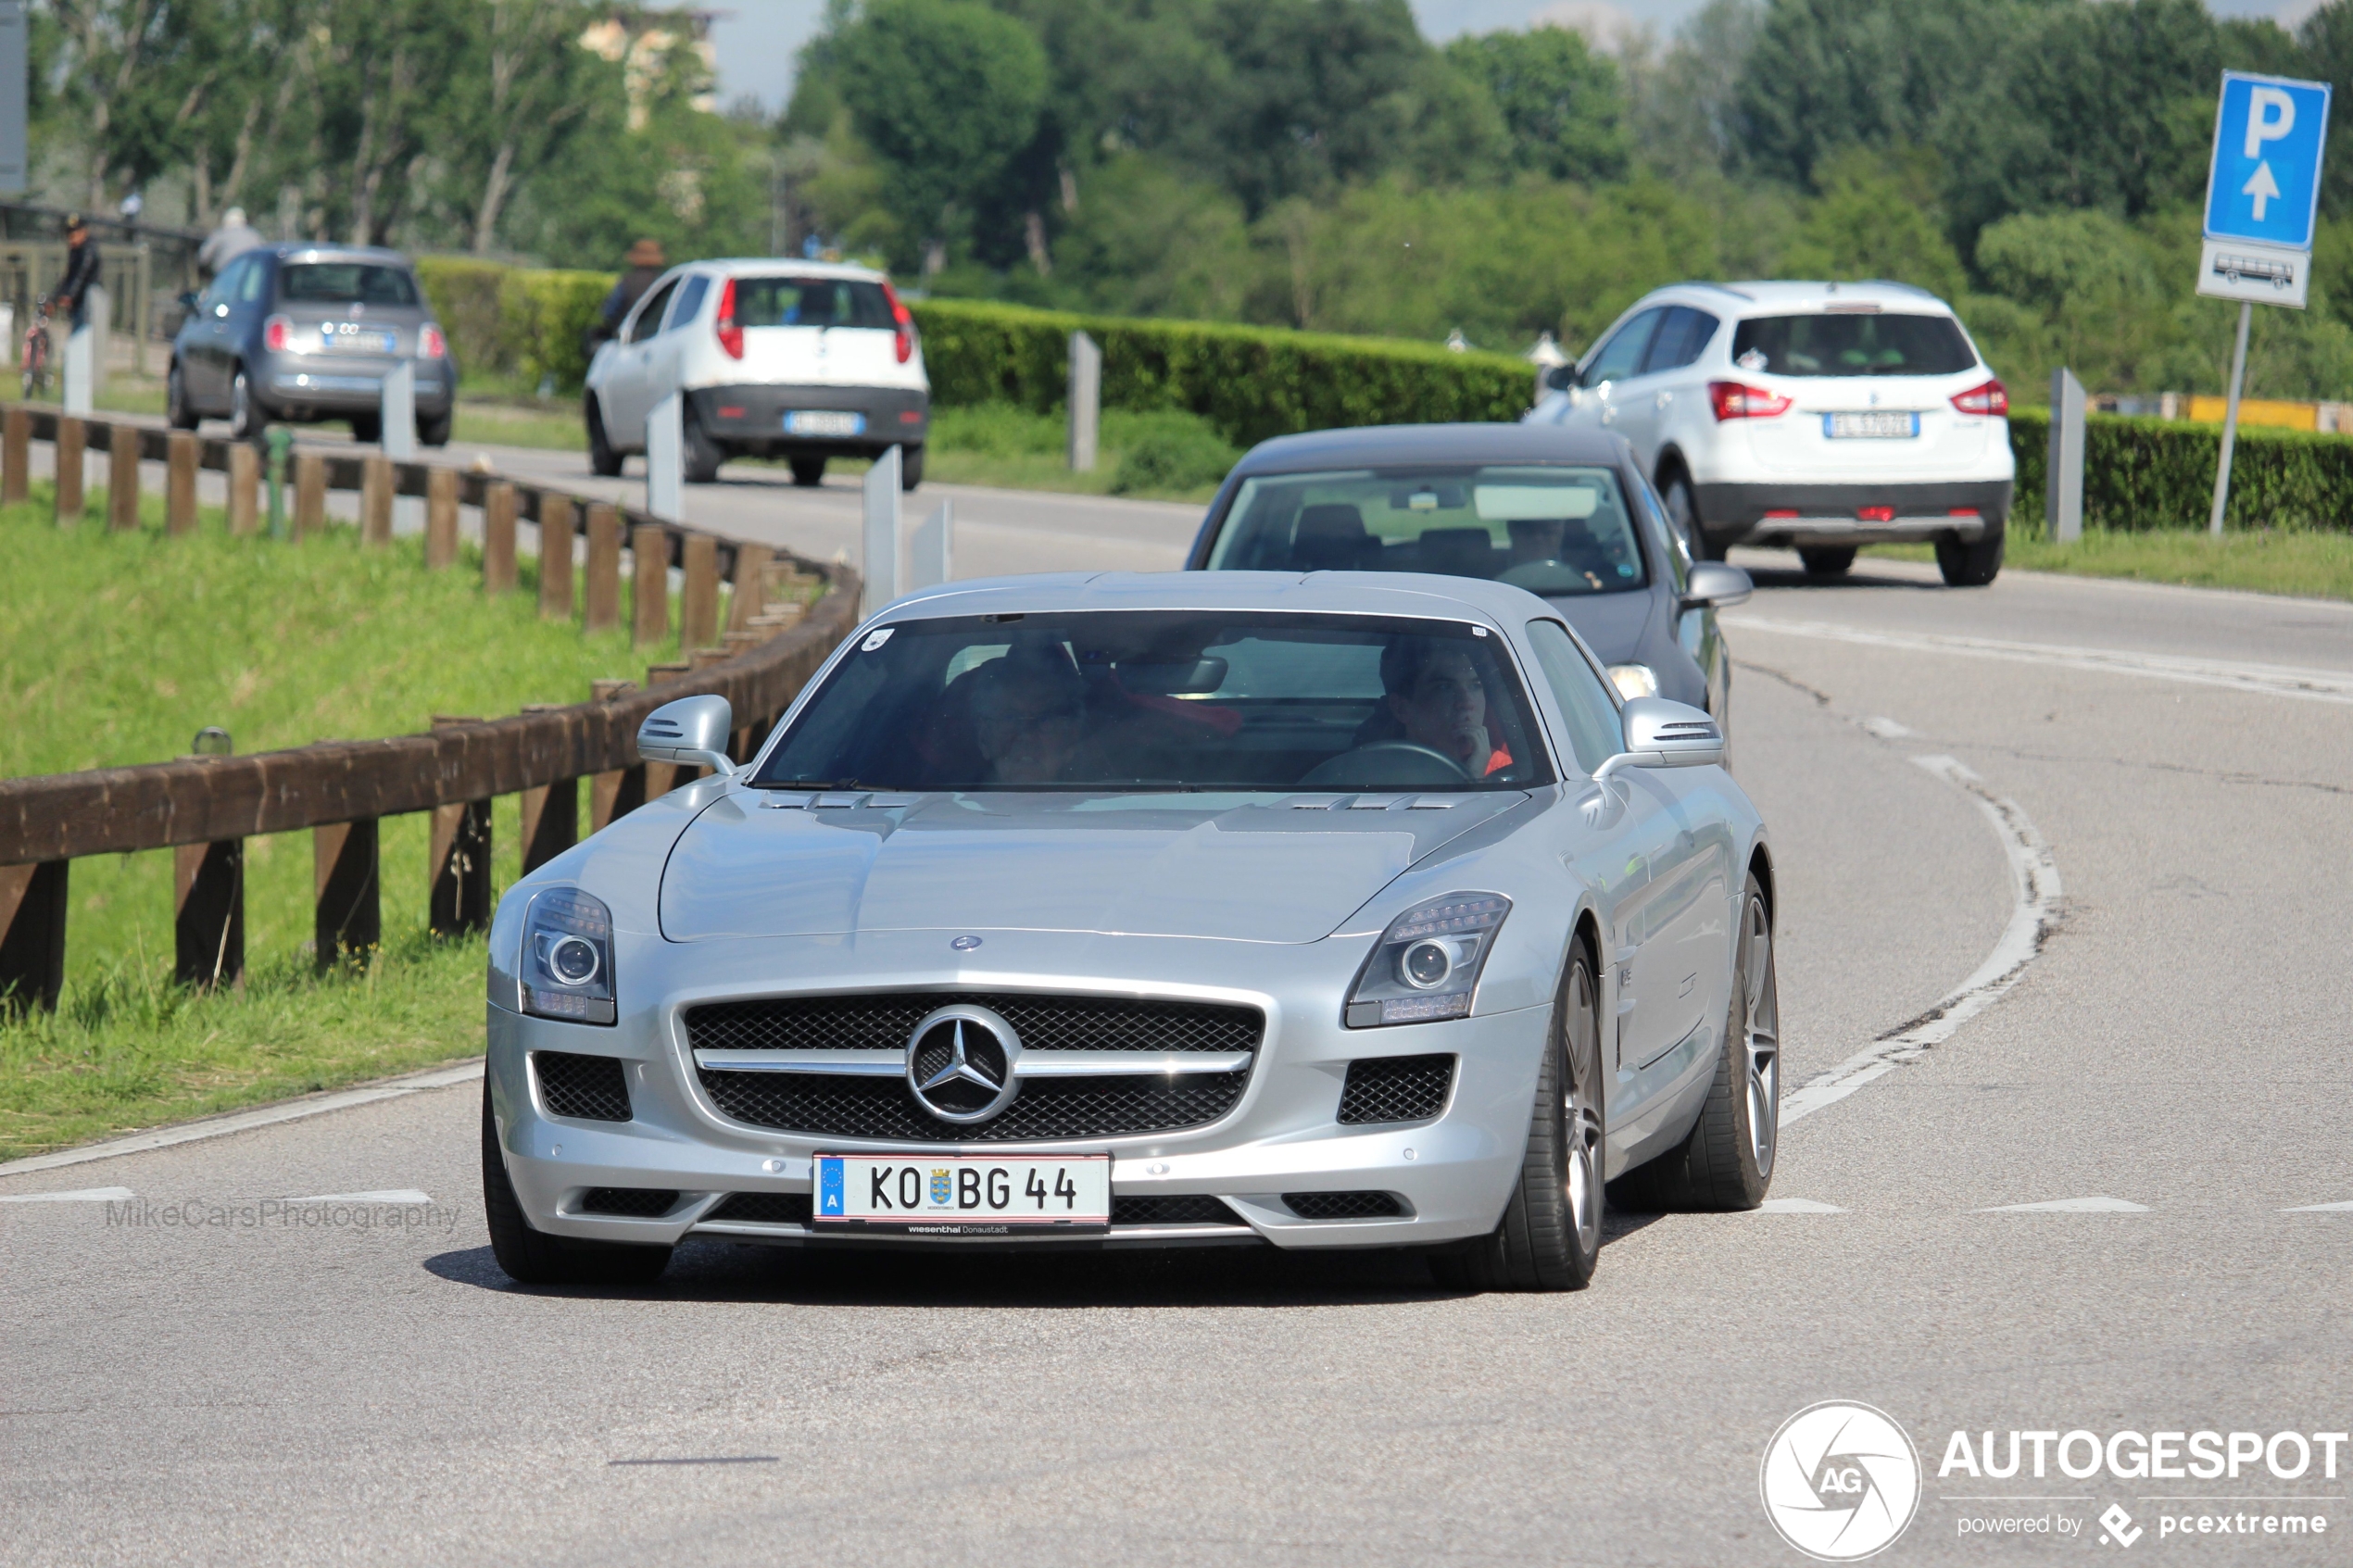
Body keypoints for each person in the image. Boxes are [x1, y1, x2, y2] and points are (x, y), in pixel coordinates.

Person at [1378, 637, 1511, 777]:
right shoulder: (1375, 773)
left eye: (1475, 686)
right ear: (1401, 708)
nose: (1466, 703)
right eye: (1445, 687)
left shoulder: (1505, 773)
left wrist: (1476, 774)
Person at [969, 649, 1088, 784]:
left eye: (1045, 719)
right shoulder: (947, 799)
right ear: (983, 738)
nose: (1027, 734)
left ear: (1072, 738)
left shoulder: (1108, 798)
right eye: (1010, 718)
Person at [590, 238, 667, 349]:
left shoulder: (627, 282)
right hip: (657, 339)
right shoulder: (663, 282)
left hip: (627, 341)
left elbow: (609, 311)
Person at [56, 214, 100, 330]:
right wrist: (56, 295)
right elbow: (69, 275)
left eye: (74, 235)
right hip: (79, 301)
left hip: (87, 300)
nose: (72, 239)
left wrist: (70, 295)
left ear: (83, 232)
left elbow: (81, 275)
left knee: (82, 334)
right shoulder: (75, 251)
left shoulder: (88, 250)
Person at [196, 207, 263, 277]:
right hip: (250, 275)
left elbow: (203, 257)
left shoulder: (220, 234)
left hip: (225, 275)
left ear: (226, 222)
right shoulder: (254, 235)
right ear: (244, 221)